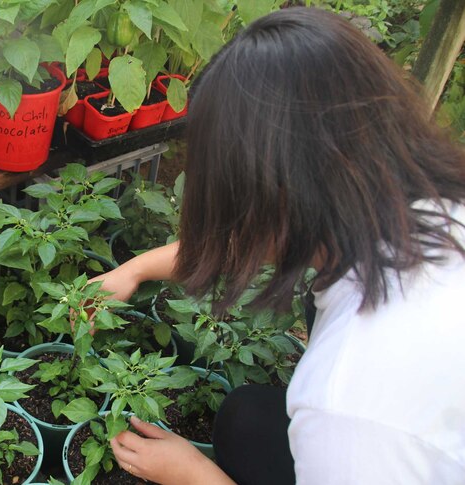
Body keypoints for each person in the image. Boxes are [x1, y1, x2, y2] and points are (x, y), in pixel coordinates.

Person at [91, 6, 465, 485]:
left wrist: (194, 474)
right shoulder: (421, 203)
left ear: (273, 194)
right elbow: (253, 237)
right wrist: (136, 268)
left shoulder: (349, 407)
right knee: (247, 419)